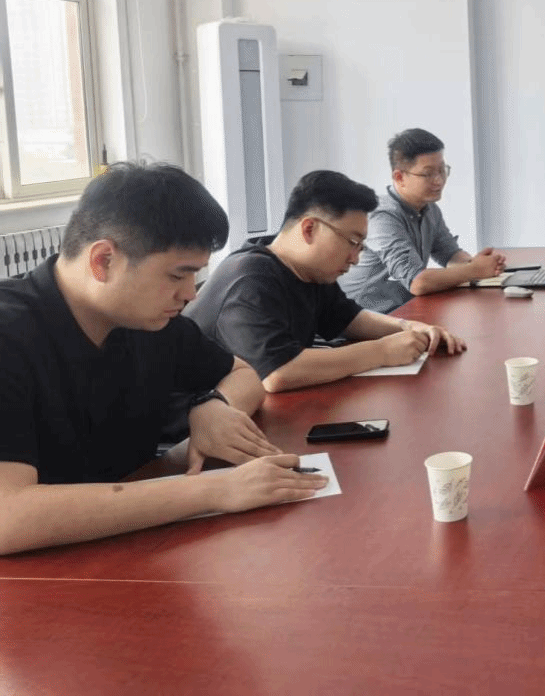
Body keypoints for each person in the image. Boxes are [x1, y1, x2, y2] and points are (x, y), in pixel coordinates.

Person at [0, 163, 326, 556]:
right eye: (177, 276)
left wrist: (215, 407)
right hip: (39, 575)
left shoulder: (147, 321)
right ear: (103, 261)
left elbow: (243, 373)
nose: (191, 294)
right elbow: (8, 516)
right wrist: (214, 490)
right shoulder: (10, 334)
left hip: (132, 550)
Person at [186, 169, 466, 393]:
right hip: (192, 430)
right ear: (309, 228)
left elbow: (349, 319)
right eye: (353, 242)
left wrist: (409, 327)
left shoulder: (309, 270)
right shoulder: (250, 279)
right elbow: (278, 373)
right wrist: (381, 351)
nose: (355, 258)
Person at [340, 128, 507, 312]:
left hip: (404, 308)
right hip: (363, 317)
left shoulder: (429, 209)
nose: (439, 181)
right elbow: (417, 282)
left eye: (442, 170)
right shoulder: (382, 216)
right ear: (399, 177)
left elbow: (449, 254)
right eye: (428, 174)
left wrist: (476, 263)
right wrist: (474, 270)